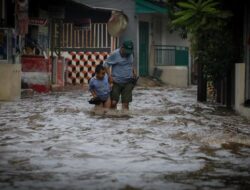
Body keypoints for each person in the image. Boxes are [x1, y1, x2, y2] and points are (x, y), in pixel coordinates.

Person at [104, 40, 137, 110]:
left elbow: (131, 64)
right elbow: (106, 65)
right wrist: (109, 76)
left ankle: (124, 119)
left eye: (129, 52)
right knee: (113, 103)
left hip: (128, 82)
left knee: (126, 104)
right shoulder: (114, 54)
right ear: (122, 48)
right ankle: (113, 118)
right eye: (126, 51)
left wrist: (134, 72)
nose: (128, 54)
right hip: (116, 82)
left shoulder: (131, 53)